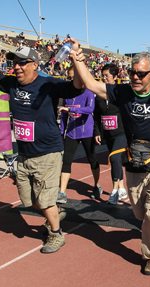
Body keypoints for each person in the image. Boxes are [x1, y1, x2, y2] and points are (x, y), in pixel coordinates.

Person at [70, 38, 150, 275]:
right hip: (134, 165)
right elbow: (91, 84)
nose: (134, 77)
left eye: (140, 74)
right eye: (131, 73)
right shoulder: (123, 92)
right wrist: (77, 59)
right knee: (139, 212)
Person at [0, 38, 83, 254]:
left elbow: (77, 87)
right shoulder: (11, 83)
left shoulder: (48, 84)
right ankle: (55, 211)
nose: (17, 67)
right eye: (15, 62)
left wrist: (76, 59)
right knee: (29, 200)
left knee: (44, 200)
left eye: (23, 63)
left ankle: (56, 234)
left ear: (34, 64)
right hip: (24, 155)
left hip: (48, 153)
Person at [57, 66, 101, 204]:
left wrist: (70, 108)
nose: (72, 80)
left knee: (92, 159)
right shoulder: (67, 95)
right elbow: (64, 116)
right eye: (70, 77)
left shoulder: (88, 92)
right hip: (71, 133)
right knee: (66, 161)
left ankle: (96, 185)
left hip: (87, 131)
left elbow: (90, 109)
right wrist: (61, 132)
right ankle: (62, 192)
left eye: (74, 77)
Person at [93, 63, 128, 205]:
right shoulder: (99, 95)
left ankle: (114, 191)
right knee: (116, 160)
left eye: (107, 75)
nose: (104, 78)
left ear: (114, 76)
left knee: (114, 158)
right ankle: (121, 187)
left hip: (121, 132)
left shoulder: (120, 92)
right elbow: (96, 115)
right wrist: (97, 131)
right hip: (107, 133)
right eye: (103, 75)